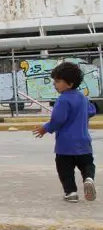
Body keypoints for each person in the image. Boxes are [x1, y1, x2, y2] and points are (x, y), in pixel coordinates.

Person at [32, 62, 97, 203]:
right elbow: (92, 111)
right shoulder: (82, 98)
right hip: (84, 143)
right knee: (87, 164)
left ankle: (71, 192)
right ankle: (89, 178)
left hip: (65, 146)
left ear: (70, 83)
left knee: (65, 169)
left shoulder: (62, 100)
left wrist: (45, 128)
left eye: (58, 81)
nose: (54, 84)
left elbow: (57, 120)